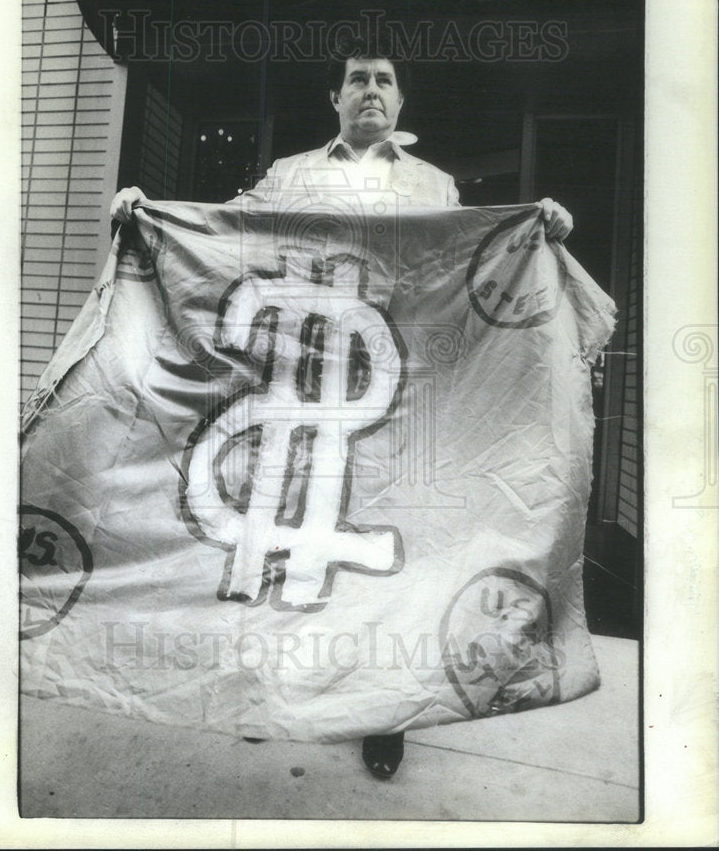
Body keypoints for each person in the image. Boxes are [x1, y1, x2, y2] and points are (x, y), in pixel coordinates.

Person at [111, 42, 573, 780]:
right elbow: (223, 234)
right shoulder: (291, 175)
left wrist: (535, 227)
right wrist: (149, 215)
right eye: (357, 79)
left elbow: (471, 264)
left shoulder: (431, 183)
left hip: (394, 402)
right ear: (335, 98)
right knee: (279, 549)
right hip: (292, 391)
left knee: (385, 559)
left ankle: (384, 712)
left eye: (385, 80)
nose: (371, 90)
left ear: (400, 101)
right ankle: (272, 698)